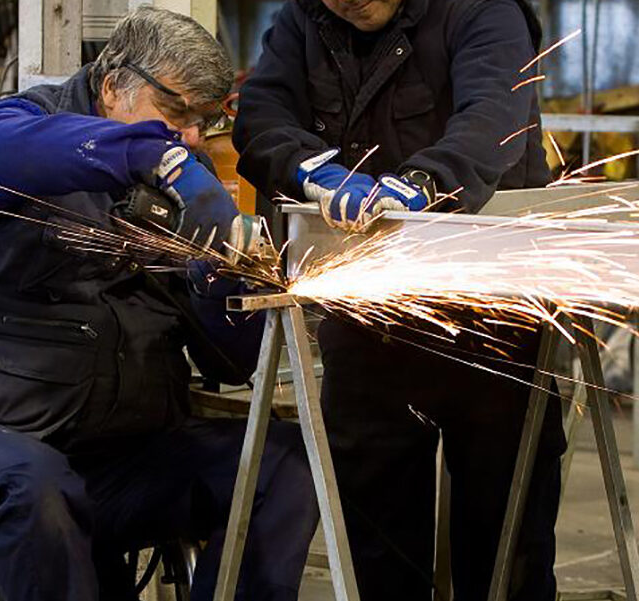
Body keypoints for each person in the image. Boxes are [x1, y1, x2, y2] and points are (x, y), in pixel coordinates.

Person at [0, 7, 318, 601]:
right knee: (33, 480)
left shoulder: (176, 191)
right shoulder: (12, 133)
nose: (189, 138)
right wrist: (156, 155)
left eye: (202, 121)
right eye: (176, 113)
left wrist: (221, 281)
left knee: (283, 464)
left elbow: (231, 362)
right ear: (113, 85)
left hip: (113, 458)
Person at [233, 0, 565, 599]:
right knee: (378, 536)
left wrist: (426, 182)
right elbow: (260, 117)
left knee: (504, 539)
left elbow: (494, 117)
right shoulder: (302, 20)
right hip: (368, 311)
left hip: (491, 310)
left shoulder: (484, 11)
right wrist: (311, 171)